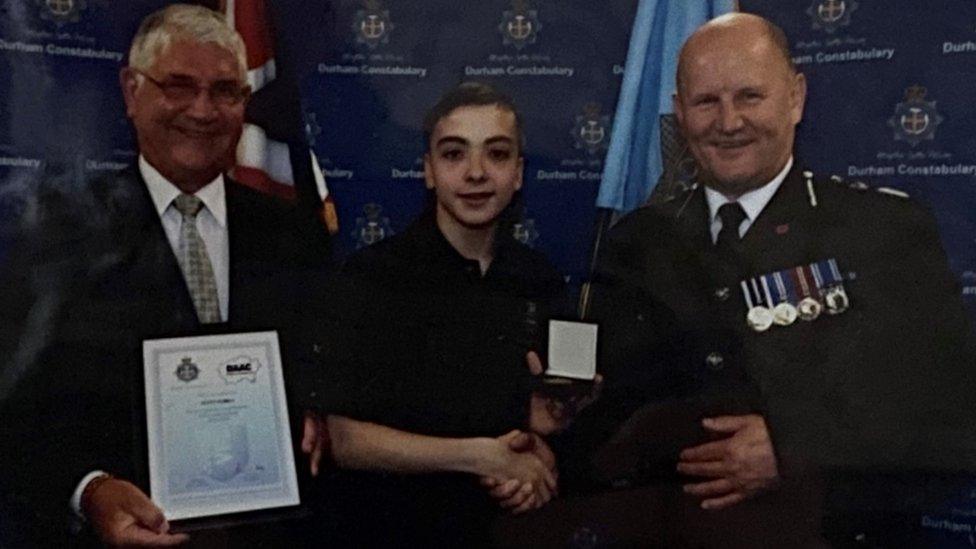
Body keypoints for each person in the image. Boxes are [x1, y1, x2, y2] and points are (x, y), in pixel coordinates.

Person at [574, 12, 976, 545]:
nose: (729, 121)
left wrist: (794, 449)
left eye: (750, 96)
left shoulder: (881, 231)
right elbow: (607, 437)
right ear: (679, 113)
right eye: (706, 102)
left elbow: (952, 423)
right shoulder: (636, 244)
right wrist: (560, 422)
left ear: (796, 98)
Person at [0, 5, 329, 546]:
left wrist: (319, 407)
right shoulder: (56, 238)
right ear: (132, 92)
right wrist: (90, 491)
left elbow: (324, 371)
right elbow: (19, 417)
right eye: (178, 85)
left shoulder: (296, 235)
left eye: (225, 91)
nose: (203, 110)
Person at [303, 82, 567, 546]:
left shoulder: (538, 278)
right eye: (454, 155)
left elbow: (534, 424)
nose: (476, 173)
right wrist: (481, 456)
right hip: (389, 532)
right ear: (427, 171)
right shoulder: (373, 277)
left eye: (498, 154)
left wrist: (540, 457)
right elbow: (345, 440)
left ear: (519, 173)